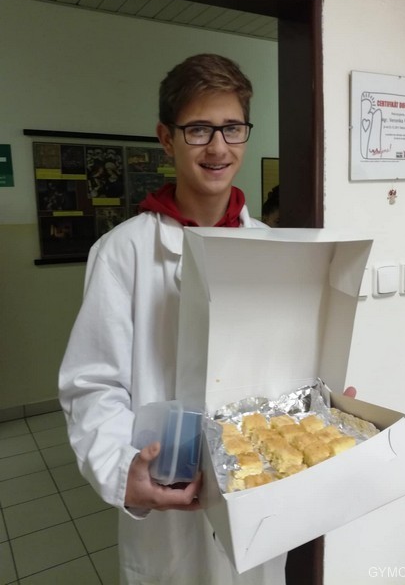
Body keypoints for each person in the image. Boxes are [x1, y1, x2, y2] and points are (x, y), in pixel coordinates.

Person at [59, 53, 288, 585]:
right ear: (166, 138)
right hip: (166, 502)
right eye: (198, 129)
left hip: (257, 489)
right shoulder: (124, 252)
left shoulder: (271, 247)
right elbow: (92, 384)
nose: (218, 147)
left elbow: (281, 362)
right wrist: (122, 470)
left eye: (232, 128)